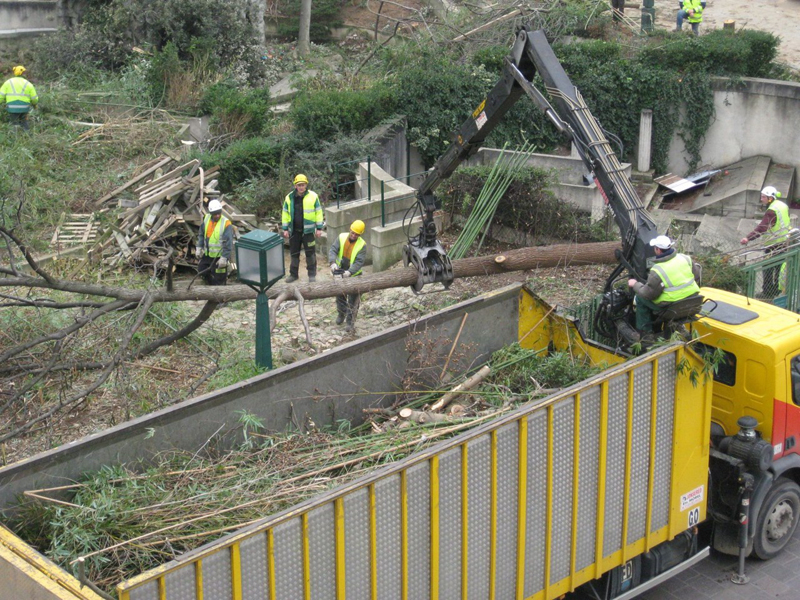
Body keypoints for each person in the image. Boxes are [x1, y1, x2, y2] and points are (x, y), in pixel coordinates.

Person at [628, 235, 700, 333]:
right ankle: (675, 327)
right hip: (692, 301)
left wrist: (635, 284)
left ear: (658, 249)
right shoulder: (685, 258)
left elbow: (648, 294)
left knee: (640, 298)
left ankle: (644, 333)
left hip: (671, 307)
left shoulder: (658, 270)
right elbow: (696, 277)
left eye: (654, 248)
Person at [741, 185, 790, 297]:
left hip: (772, 244)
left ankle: (767, 292)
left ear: (770, 198)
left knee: (767, 268)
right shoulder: (782, 205)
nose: (761, 199)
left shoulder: (771, 211)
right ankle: (777, 290)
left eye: (763, 197)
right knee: (778, 267)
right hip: (783, 242)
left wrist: (748, 237)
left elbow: (763, 227)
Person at [282, 174, 324, 283]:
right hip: (294, 231)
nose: (301, 187)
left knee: (310, 254)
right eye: (299, 185)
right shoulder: (289, 197)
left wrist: (319, 228)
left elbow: (319, 212)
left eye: (303, 185)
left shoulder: (313, 196)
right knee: (294, 254)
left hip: (308, 232)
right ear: (295, 185)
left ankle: (312, 275)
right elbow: (285, 214)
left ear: (306, 185)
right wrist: (285, 229)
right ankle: (293, 274)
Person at [328, 220, 367, 333]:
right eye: (353, 233)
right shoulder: (341, 237)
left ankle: (350, 322)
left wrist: (349, 272)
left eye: (356, 234)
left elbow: (359, 262)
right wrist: (332, 262)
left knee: (353, 300)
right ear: (350, 229)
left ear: (360, 234)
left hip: (354, 275)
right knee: (340, 296)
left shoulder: (362, 245)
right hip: (340, 271)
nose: (354, 235)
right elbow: (333, 250)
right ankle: (341, 314)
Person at [195, 199, 233, 286]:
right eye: (215, 214)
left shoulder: (226, 223)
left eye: (219, 213)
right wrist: (199, 247)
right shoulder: (206, 218)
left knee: (219, 278)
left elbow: (228, 243)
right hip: (208, 255)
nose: (217, 215)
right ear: (211, 213)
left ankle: (221, 297)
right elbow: (201, 234)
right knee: (202, 270)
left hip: (219, 257)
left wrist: (224, 257)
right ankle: (210, 290)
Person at [0, 66, 38, 131]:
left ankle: (15, 137)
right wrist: (34, 105)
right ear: (23, 73)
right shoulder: (28, 83)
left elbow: (1, 96)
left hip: (12, 107)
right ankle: (27, 136)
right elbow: (34, 98)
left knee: (14, 123)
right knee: (24, 122)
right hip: (25, 107)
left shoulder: (8, 82)